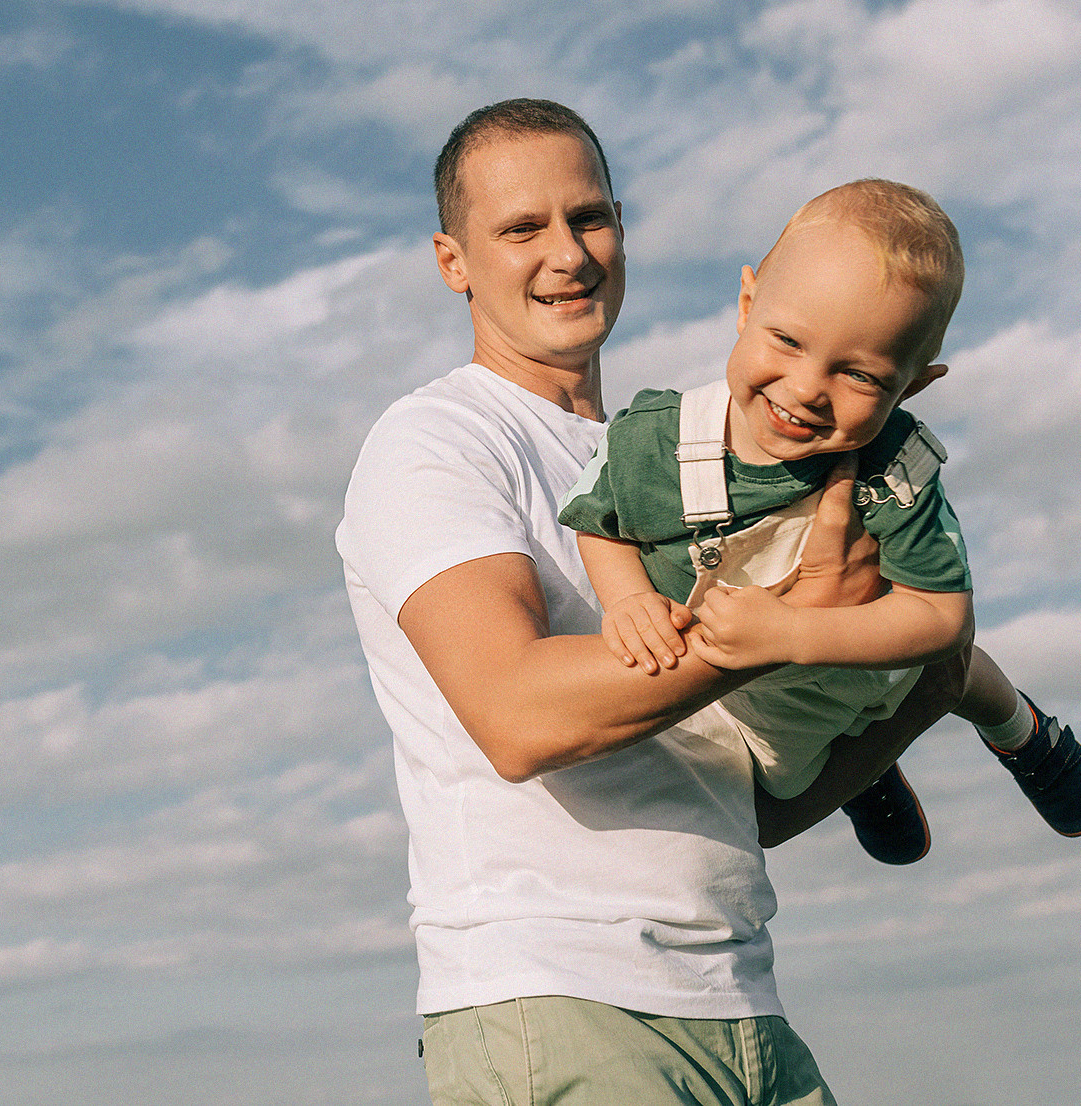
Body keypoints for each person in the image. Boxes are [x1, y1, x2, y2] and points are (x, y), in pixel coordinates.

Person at [336, 99, 968, 1106]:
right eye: (519, 228)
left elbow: (739, 799)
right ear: (452, 261)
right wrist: (774, 630)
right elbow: (515, 713)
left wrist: (923, 690)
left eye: (587, 218)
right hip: (557, 997)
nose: (566, 254)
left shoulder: (674, 456)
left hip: (736, 992)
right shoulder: (437, 442)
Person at [559, 180, 1081, 866]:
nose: (807, 387)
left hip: (867, 656)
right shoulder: (657, 442)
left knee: (952, 665)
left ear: (912, 386)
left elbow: (941, 616)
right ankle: (867, 772)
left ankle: (1023, 732)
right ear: (747, 303)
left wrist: (793, 630)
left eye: (861, 376)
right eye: (787, 340)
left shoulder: (889, 468)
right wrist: (629, 598)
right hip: (763, 709)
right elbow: (600, 520)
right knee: (785, 771)